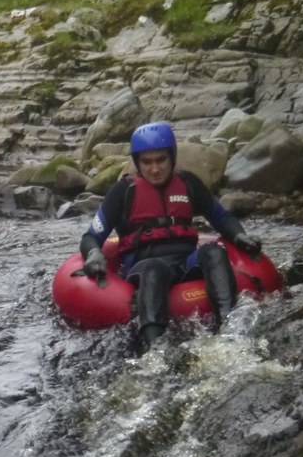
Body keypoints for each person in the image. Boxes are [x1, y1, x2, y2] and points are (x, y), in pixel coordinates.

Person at [79, 121, 262, 351]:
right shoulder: (123, 192)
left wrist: (239, 236)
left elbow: (222, 218)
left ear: (172, 158)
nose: (155, 168)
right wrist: (94, 253)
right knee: (155, 268)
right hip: (143, 266)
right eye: (147, 162)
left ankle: (230, 330)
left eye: (161, 160)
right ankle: (156, 349)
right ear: (137, 163)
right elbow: (91, 236)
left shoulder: (188, 184)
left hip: (185, 263)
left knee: (214, 251)